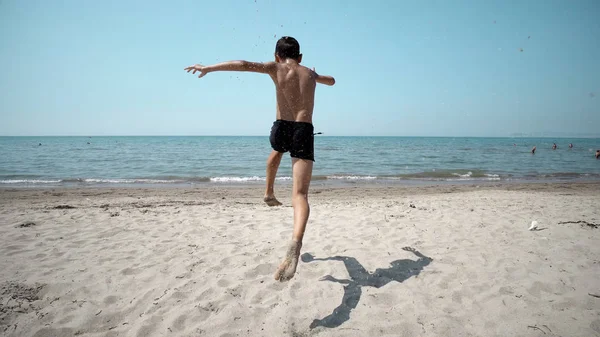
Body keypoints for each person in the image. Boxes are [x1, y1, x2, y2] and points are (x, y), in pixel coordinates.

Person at [184, 36, 335, 281]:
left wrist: (209, 68)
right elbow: (332, 81)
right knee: (300, 195)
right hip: (303, 129)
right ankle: (296, 244)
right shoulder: (309, 73)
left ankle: (268, 191)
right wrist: (316, 76)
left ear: (277, 56)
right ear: (301, 57)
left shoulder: (274, 68)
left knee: (277, 151)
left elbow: (242, 64)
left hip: (281, 128)